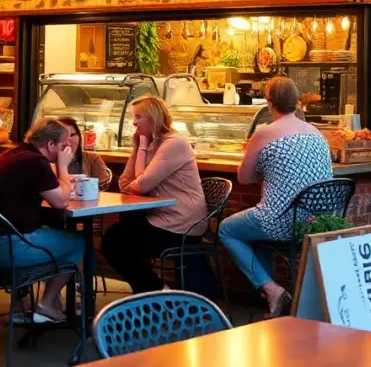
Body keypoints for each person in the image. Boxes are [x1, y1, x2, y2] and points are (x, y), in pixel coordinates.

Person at [217, 77, 332, 317]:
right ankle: (271, 298)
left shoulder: (264, 134)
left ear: (269, 104)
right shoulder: (316, 133)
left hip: (281, 221)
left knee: (227, 230)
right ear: (296, 101)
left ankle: (271, 289)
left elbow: (244, 178)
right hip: (319, 222)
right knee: (258, 238)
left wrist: (255, 155)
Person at [103, 95, 212, 299]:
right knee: (120, 232)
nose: (133, 122)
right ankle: (152, 290)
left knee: (115, 240)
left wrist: (141, 149)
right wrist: (138, 146)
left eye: (138, 117)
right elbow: (125, 184)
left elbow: (141, 185)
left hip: (182, 223)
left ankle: (152, 291)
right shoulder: (153, 143)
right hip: (161, 217)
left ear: (153, 118)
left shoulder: (174, 143)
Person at [0, 117, 83, 323]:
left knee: (55, 234)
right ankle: (46, 303)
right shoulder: (35, 162)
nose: (66, 150)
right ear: (50, 144)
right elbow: (60, 202)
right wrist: (63, 166)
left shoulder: (12, 153)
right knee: (78, 243)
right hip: (8, 249)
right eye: (63, 146)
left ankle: (44, 303)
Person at [58, 117, 112, 187]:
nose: (68, 141)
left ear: (79, 137)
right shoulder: (46, 162)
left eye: (72, 135)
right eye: (62, 136)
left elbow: (103, 187)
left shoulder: (92, 159)